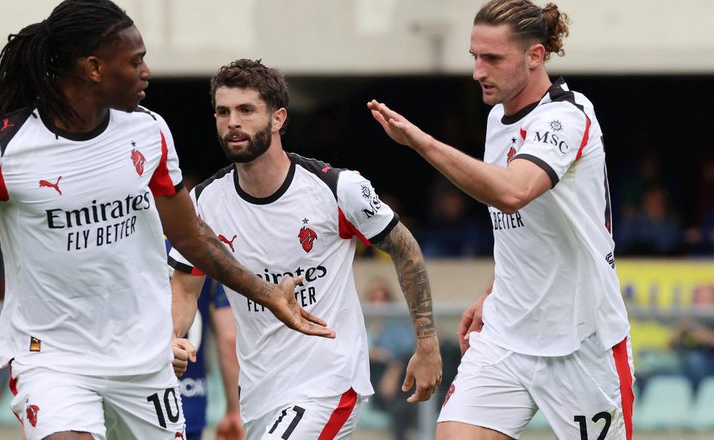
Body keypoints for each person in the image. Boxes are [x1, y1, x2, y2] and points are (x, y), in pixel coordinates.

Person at [0, 1, 333, 439]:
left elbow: (190, 236)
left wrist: (269, 294)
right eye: (135, 60)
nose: (146, 72)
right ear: (93, 68)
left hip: (146, 359)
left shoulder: (148, 131)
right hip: (52, 359)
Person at [367, 1, 634, 439]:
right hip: (505, 337)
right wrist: (492, 293)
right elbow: (524, 231)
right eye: (474, 56)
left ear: (535, 55)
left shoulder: (568, 117)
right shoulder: (497, 118)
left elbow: (513, 193)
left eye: (492, 58)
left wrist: (420, 142)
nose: (478, 71)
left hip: (583, 341)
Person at [169, 58, 442, 439]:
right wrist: (172, 338)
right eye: (223, 111)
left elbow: (405, 249)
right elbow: (184, 287)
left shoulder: (337, 189)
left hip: (328, 384)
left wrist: (427, 343)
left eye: (246, 110)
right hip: (261, 395)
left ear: (278, 118)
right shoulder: (203, 203)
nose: (233, 122)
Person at [177, 275, 244, 440]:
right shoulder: (206, 252)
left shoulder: (134, 251)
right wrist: (234, 411)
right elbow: (229, 338)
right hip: (190, 401)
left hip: (131, 398)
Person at [363, 277, 418, 440]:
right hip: (373, 377)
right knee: (400, 406)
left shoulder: (398, 323)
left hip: (400, 375)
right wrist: (374, 352)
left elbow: (408, 349)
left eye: (383, 297)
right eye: (374, 297)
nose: (379, 303)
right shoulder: (360, 321)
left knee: (405, 402)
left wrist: (394, 369)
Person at [670, 284, 714, 393]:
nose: (701, 302)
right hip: (683, 360)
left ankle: (696, 398)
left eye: (705, 298)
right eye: (699, 298)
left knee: (695, 361)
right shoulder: (690, 317)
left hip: (706, 361)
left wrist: (704, 336)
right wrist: (681, 332)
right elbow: (669, 346)